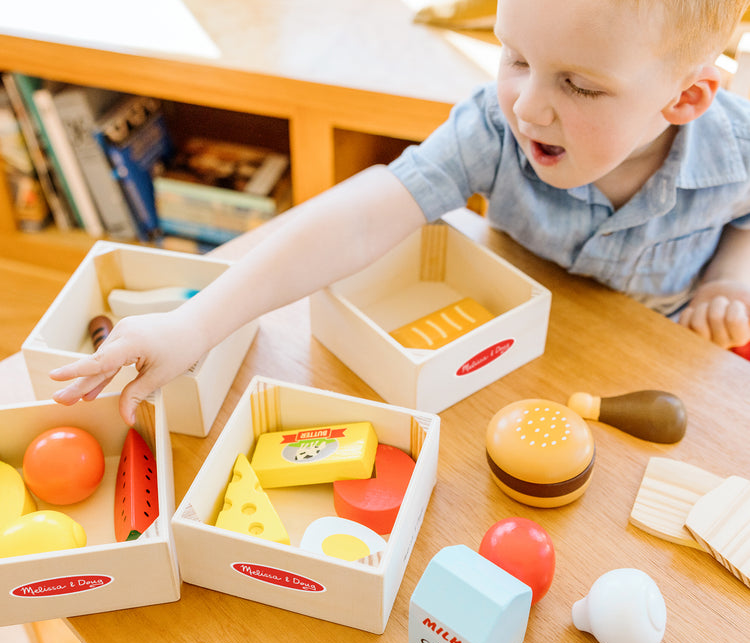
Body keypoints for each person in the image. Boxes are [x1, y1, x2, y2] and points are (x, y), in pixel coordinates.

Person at [51, 0, 750, 425]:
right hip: (515, 359)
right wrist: (195, 322)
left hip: (661, 365)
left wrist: (729, 278)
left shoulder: (737, 149)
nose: (529, 105)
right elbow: (361, 215)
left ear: (686, 99)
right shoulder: (493, 130)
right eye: (514, 56)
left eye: (578, 85)